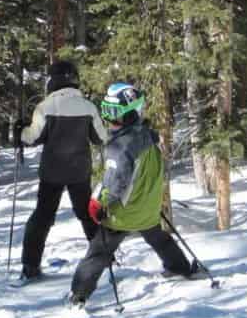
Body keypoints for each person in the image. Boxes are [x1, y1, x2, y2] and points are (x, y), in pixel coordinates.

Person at [69, 82, 196, 305]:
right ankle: (180, 267)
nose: (111, 121)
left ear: (131, 115)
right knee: (159, 238)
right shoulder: (147, 137)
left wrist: (98, 203)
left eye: (116, 114)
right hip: (148, 210)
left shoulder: (121, 147)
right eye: (107, 112)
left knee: (99, 251)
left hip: (123, 214)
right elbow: (156, 174)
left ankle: (79, 293)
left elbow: (113, 181)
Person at [14, 60, 107, 280]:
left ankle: (30, 266)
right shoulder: (88, 106)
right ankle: (103, 259)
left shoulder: (45, 106)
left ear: (53, 80)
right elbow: (100, 138)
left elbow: (33, 138)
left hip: (52, 171)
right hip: (79, 171)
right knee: (86, 215)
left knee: (43, 216)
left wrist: (20, 131)